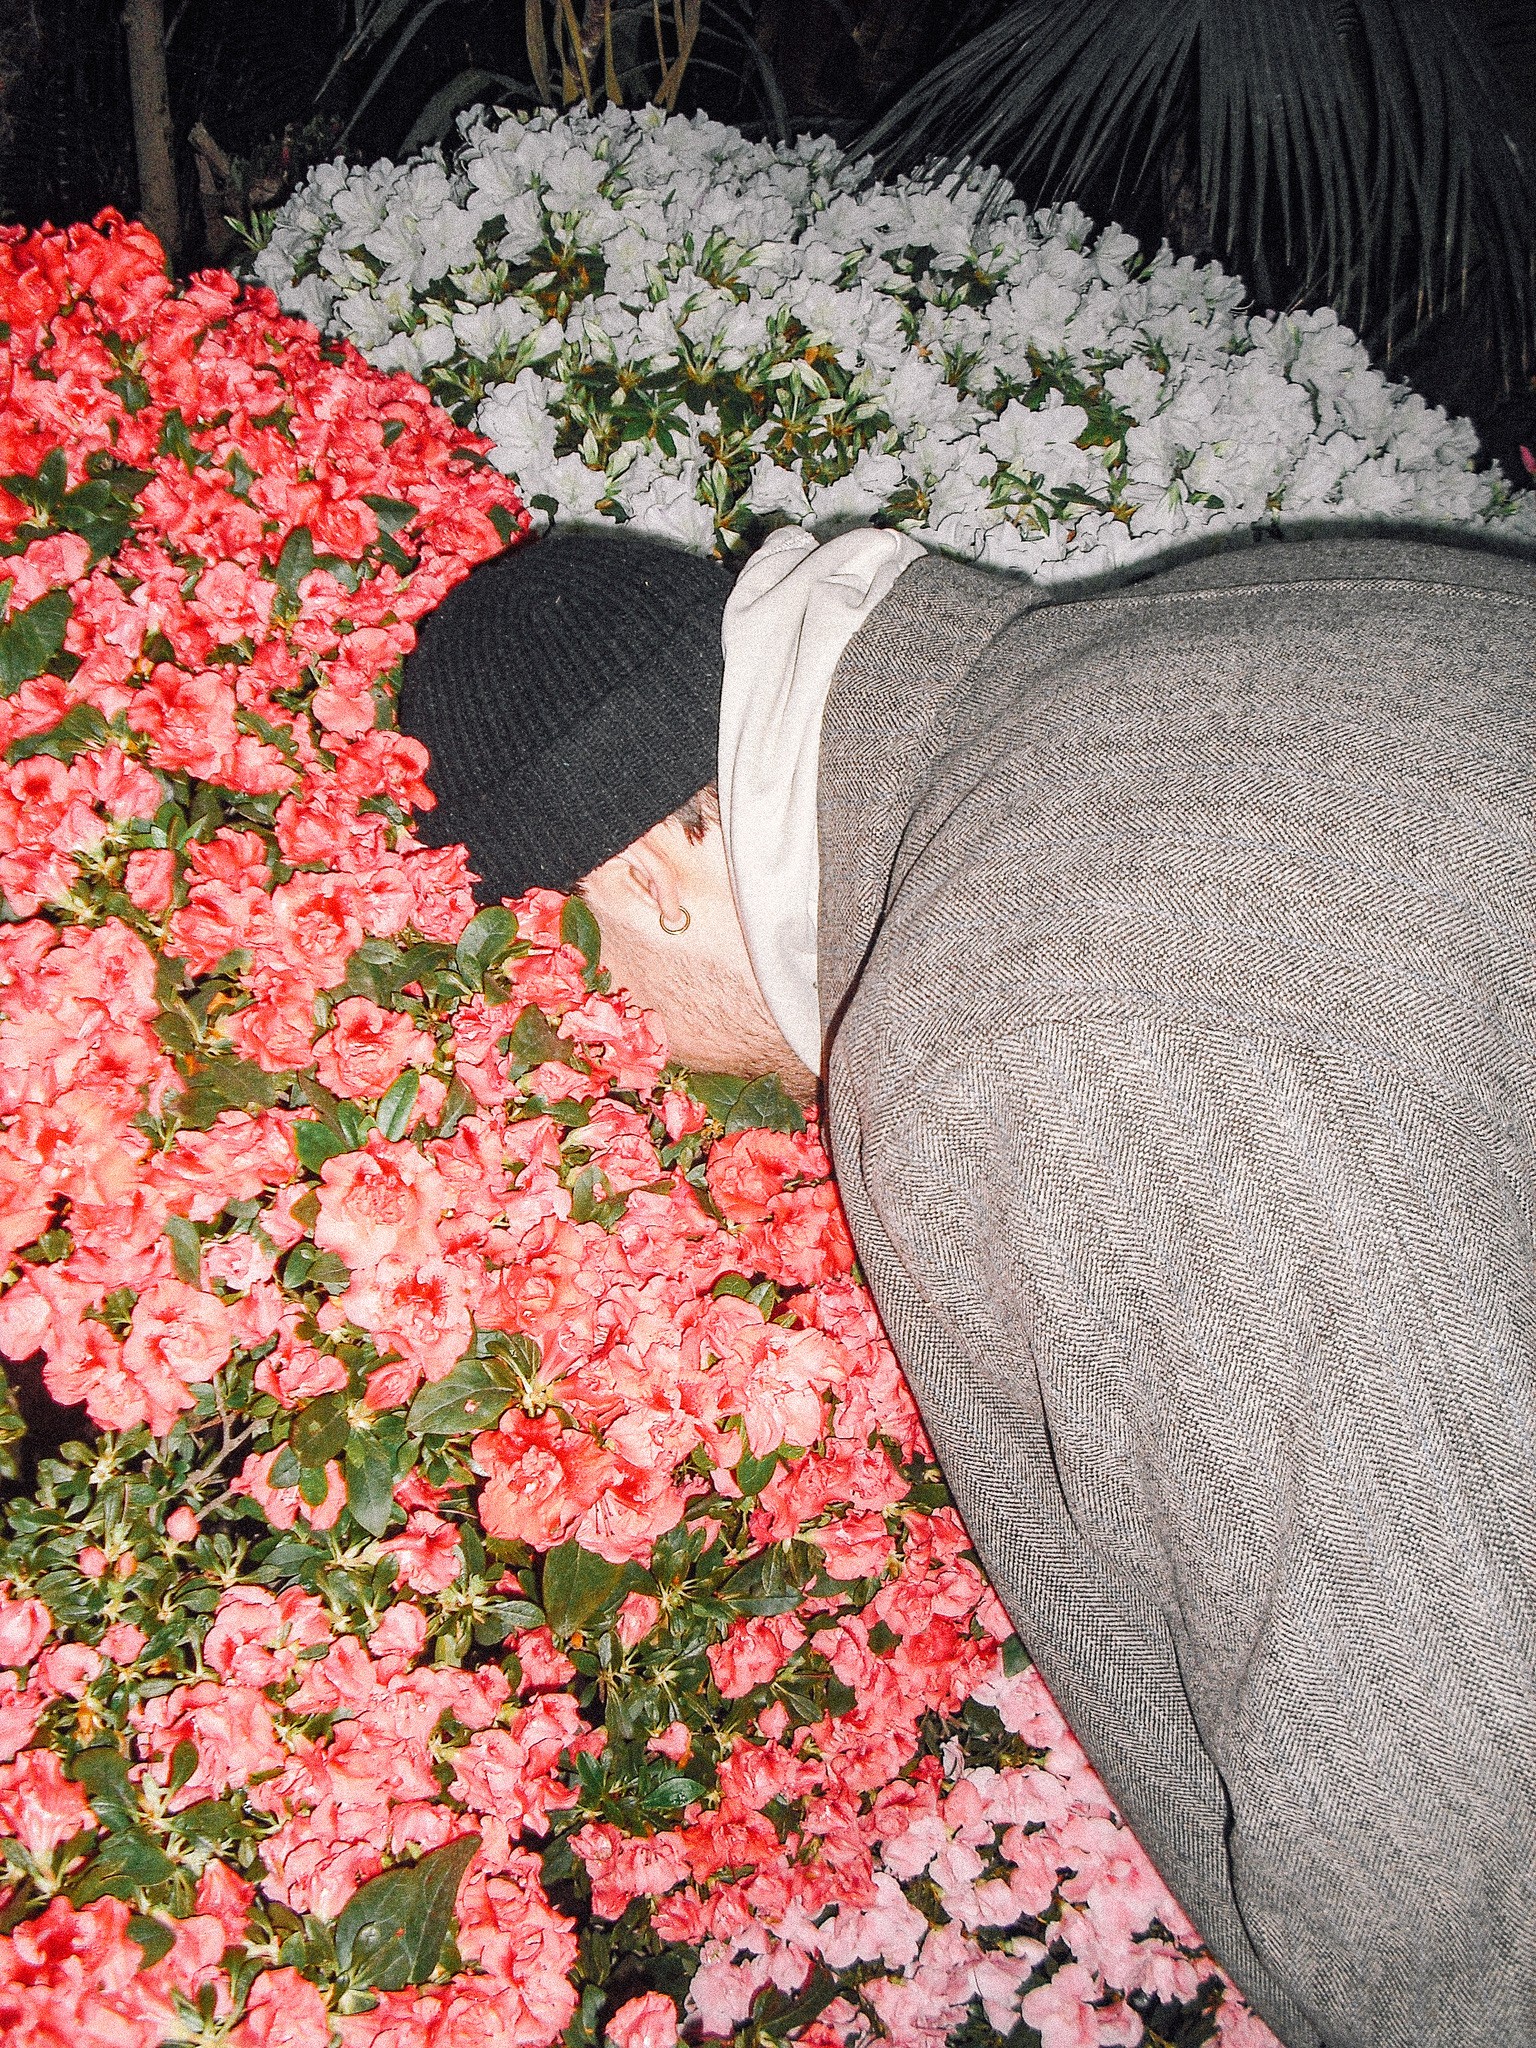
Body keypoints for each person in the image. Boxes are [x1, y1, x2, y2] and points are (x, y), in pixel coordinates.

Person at [400, 518, 1536, 2048]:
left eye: (564, 963)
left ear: (643, 872)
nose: (619, 1035)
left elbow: (1443, 1816)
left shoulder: (1010, 1043)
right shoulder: (1214, 623)